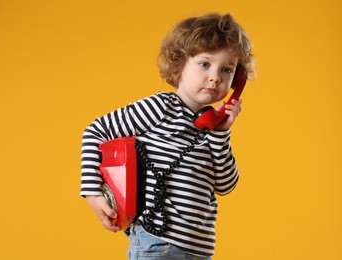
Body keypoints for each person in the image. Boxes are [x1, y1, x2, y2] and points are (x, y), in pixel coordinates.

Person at [80, 12, 255, 259]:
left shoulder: (212, 127)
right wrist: (92, 192)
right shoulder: (162, 107)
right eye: (205, 64)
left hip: (198, 250)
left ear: (237, 80)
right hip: (157, 243)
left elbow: (226, 185)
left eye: (226, 69)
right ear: (178, 66)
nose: (215, 77)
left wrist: (221, 133)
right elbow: (96, 131)